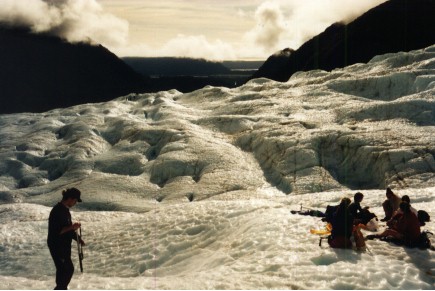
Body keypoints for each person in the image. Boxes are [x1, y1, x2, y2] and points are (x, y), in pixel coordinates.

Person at [47, 188, 85, 290]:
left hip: (63, 246)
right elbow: (57, 231)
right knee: (67, 270)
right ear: (70, 198)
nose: (75, 203)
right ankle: (61, 288)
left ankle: (61, 288)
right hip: (57, 245)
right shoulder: (57, 211)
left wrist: (78, 239)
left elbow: (67, 229)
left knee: (64, 270)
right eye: (75, 200)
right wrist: (72, 227)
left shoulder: (65, 210)